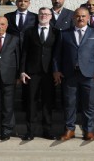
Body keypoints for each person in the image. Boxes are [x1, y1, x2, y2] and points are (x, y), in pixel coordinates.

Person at [53, 7, 94, 141]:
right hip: (69, 74)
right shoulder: (64, 33)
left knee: (88, 104)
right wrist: (56, 70)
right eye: (77, 16)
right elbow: (56, 55)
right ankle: (69, 129)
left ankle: (88, 130)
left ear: (88, 18)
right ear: (73, 18)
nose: (80, 18)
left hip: (89, 75)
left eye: (83, 16)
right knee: (70, 103)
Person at [20, 7, 58, 140]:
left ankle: (47, 130)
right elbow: (24, 52)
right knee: (31, 101)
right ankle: (30, 131)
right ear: (38, 16)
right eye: (41, 14)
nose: (44, 16)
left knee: (47, 102)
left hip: (49, 72)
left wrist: (57, 70)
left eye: (46, 14)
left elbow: (58, 53)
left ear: (51, 16)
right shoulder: (29, 31)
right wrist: (22, 70)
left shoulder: (56, 32)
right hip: (32, 72)